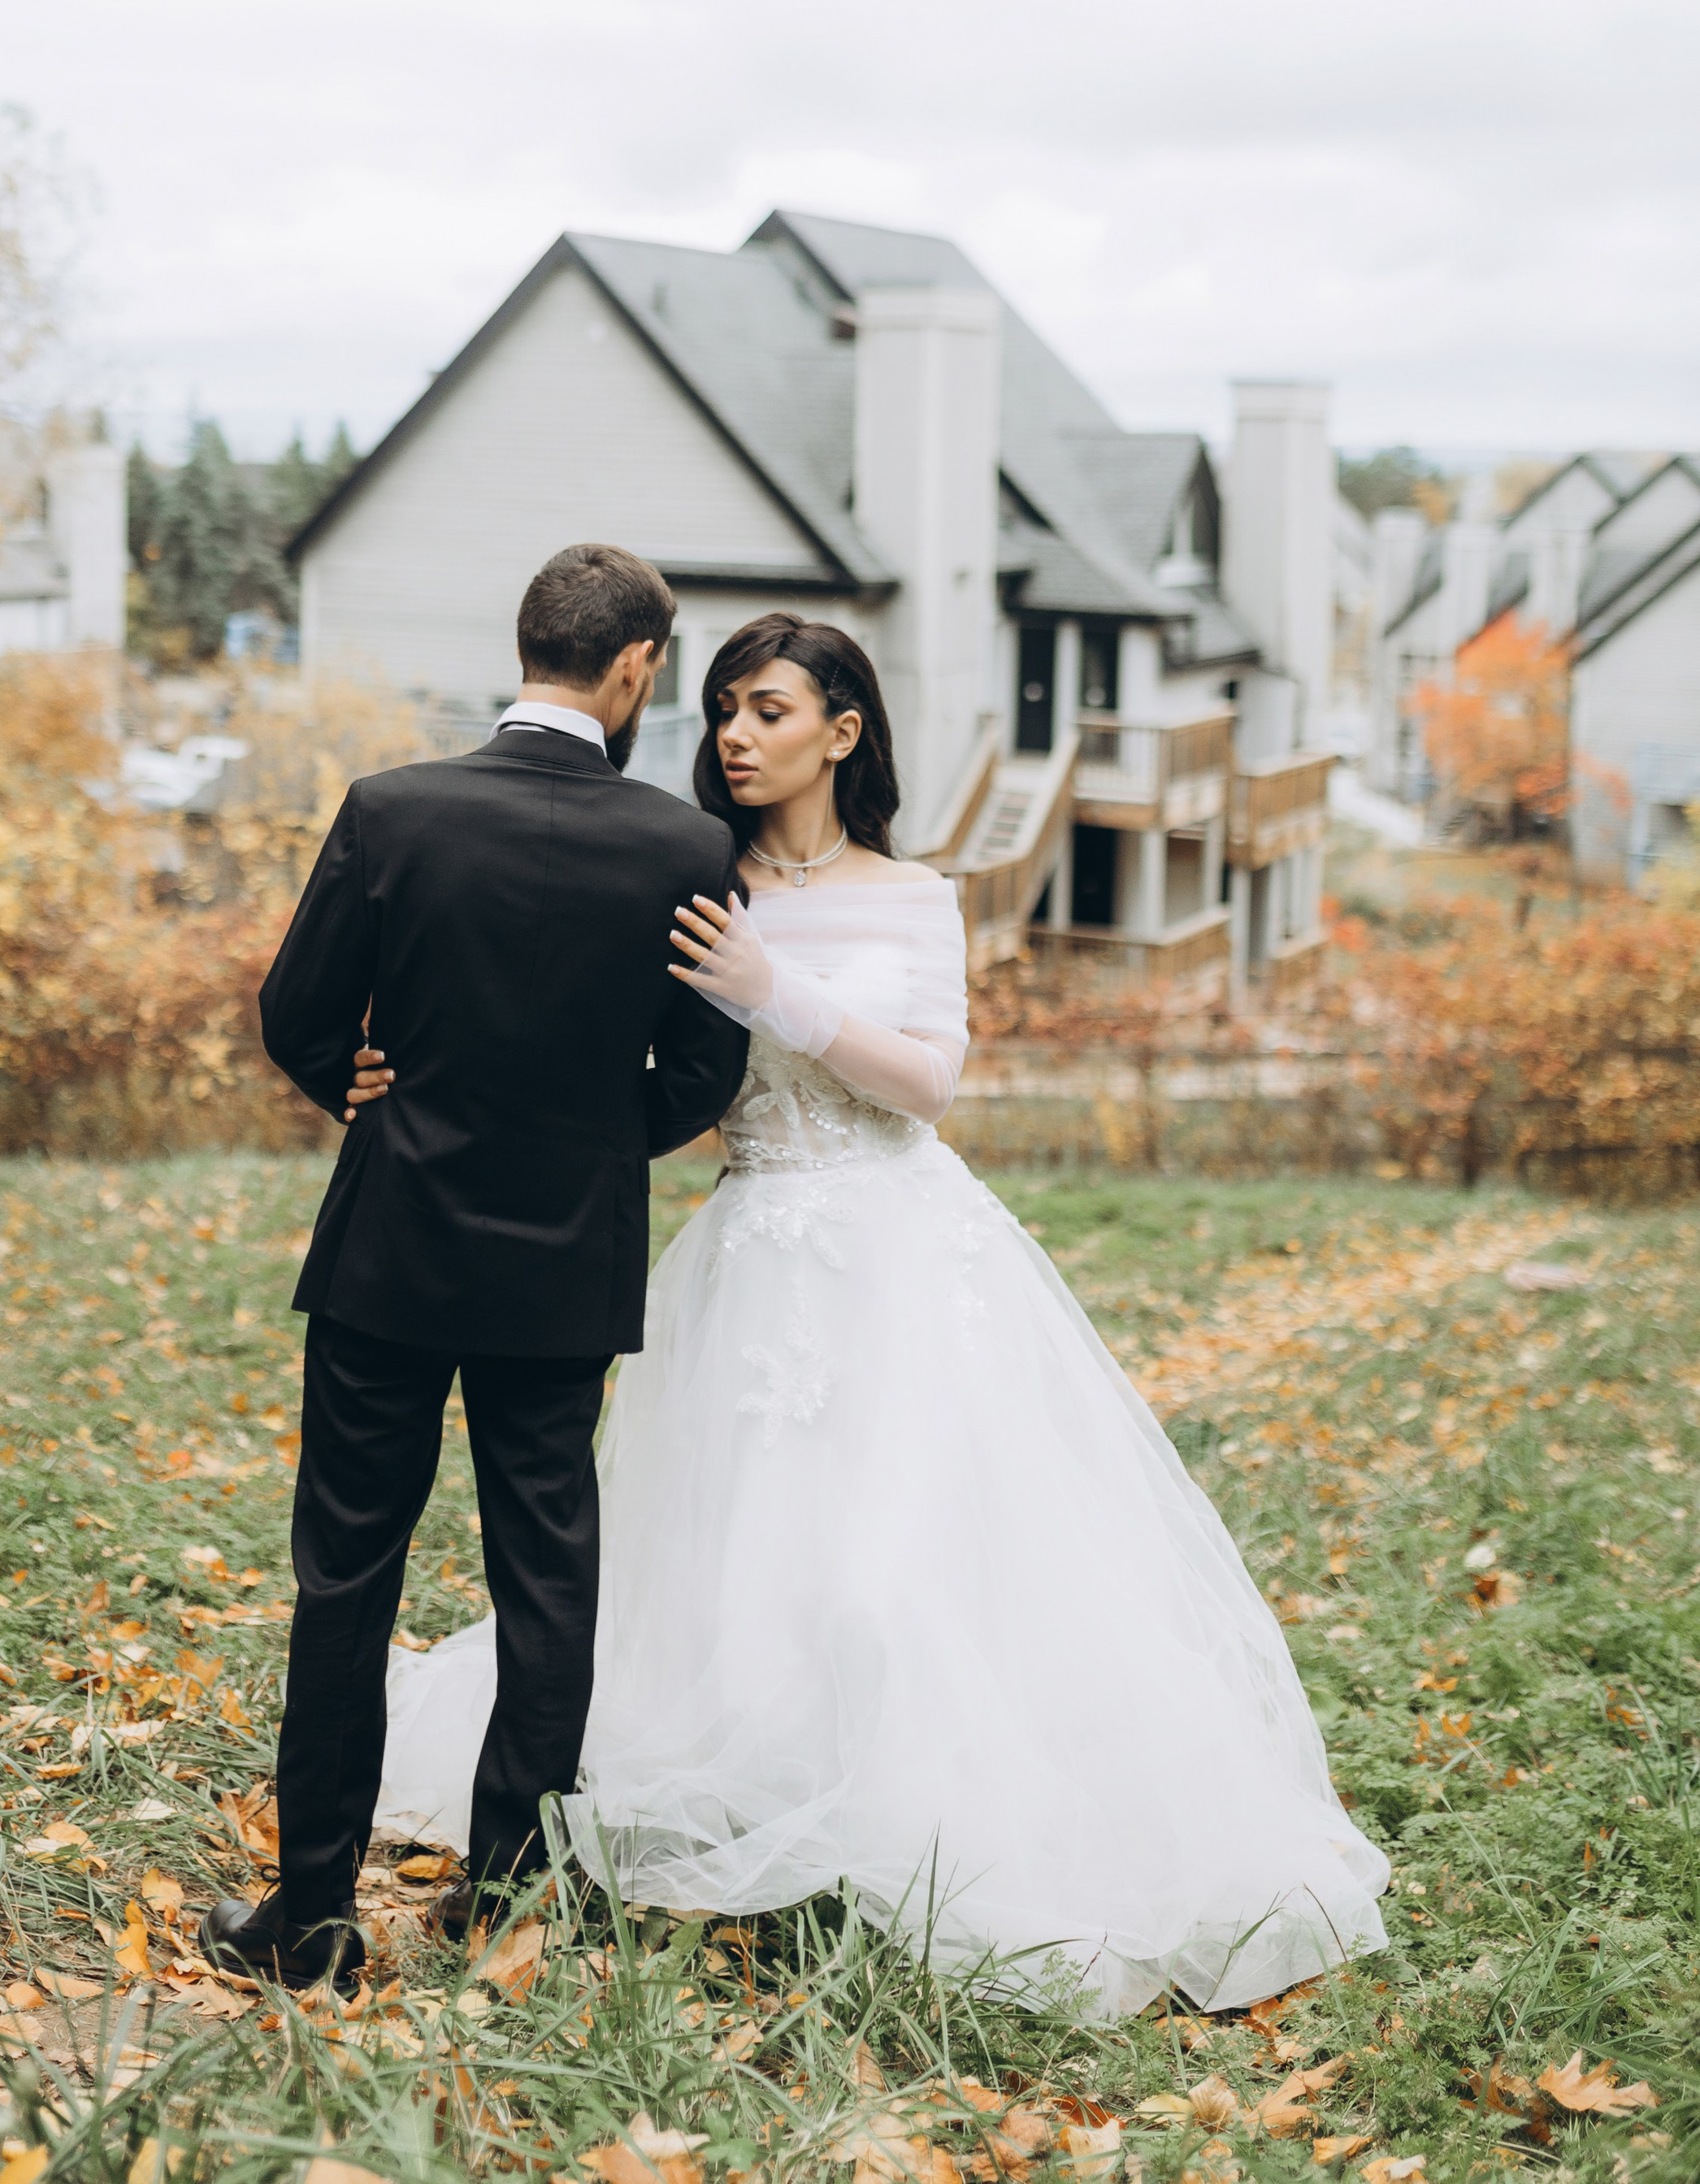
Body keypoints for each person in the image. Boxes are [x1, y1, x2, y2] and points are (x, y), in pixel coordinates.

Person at [366, 614, 1391, 2017]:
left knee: (886, 1571)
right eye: (722, 707)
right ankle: (760, 1802)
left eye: (769, 709)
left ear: (842, 732)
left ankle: (918, 1817)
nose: (735, 733)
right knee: (735, 1560)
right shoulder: (688, 878)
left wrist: (770, 989)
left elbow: (927, 1086)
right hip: (752, 1254)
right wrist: (417, 1077)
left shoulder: (915, 898)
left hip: (905, 1257)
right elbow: (624, 1070)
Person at [200, 543, 748, 1990]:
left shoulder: (395, 812)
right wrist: (584, 1143)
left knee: (348, 1580)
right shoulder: (687, 852)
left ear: (532, 650)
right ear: (633, 668)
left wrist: (359, 1085)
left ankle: (311, 1915)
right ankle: (501, 1902)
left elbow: (295, 1011)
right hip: (564, 1271)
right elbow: (702, 1069)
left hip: (390, 1248)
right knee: (547, 1575)